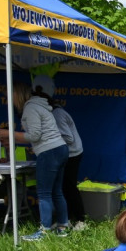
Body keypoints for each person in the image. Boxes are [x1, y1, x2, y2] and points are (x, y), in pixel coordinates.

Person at [0, 82, 70, 241]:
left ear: (16, 95)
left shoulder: (30, 108)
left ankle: (44, 231)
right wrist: (13, 139)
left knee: (44, 193)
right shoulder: (40, 105)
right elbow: (37, 136)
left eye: (9, 97)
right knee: (56, 191)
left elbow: (34, 136)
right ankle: (63, 226)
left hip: (49, 152)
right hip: (60, 148)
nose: (8, 102)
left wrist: (9, 133)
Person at [34, 74, 87, 229]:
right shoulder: (53, 113)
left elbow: (68, 138)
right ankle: (67, 219)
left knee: (68, 187)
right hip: (65, 153)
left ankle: (80, 219)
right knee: (61, 188)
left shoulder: (56, 114)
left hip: (72, 154)